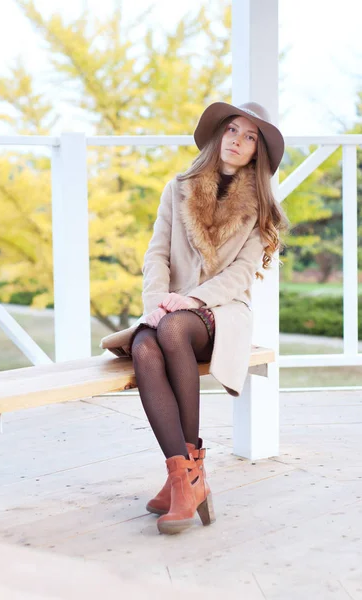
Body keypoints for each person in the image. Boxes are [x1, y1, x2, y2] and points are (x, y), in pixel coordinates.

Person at [100, 101, 289, 535]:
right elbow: (157, 254)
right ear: (219, 135)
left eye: (250, 137)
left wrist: (194, 300)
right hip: (168, 309)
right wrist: (158, 301)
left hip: (220, 313)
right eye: (233, 131)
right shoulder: (178, 188)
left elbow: (241, 275)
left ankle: (184, 483)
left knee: (170, 329)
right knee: (147, 345)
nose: (238, 142)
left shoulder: (260, 207)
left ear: (257, 151)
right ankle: (185, 479)